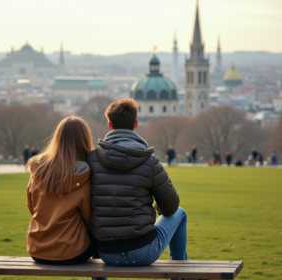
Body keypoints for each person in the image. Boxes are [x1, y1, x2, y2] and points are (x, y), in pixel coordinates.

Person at [88, 98, 186, 269]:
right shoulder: (150, 161)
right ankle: (180, 275)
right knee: (180, 213)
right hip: (144, 251)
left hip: (106, 253)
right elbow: (171, 207)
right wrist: (158, 208)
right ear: (136, 124)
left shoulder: (92, 159)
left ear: (110, 126)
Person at [25, 116, 106, 280]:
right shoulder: (83, 175)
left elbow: (32, 208)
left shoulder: (37, 170)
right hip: (72, 253)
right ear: (84, 139)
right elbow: (90, 219)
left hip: (37, 250)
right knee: (99, 233)